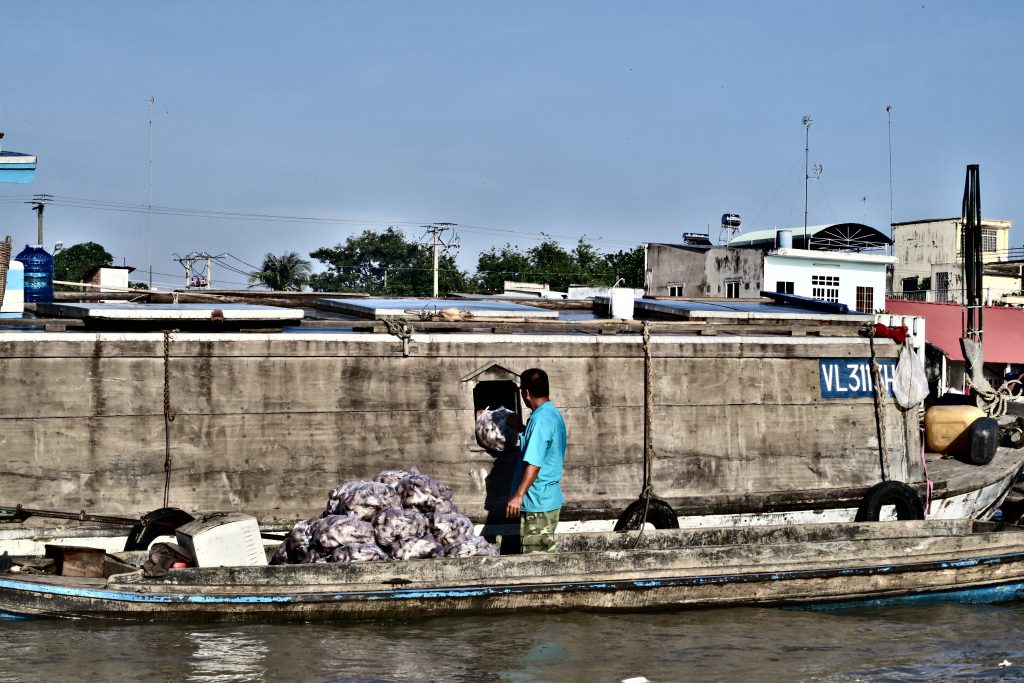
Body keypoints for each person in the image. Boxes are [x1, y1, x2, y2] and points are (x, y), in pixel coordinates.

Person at [505, 368, 567, 554]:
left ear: (526, 393)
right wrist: (522, 428)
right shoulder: (551, 414)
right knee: (543, 556)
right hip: (546, 500)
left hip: (538, 503)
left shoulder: (540, 420)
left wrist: (518, 495)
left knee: (538, 561)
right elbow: (543, 444)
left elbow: (535, 463)